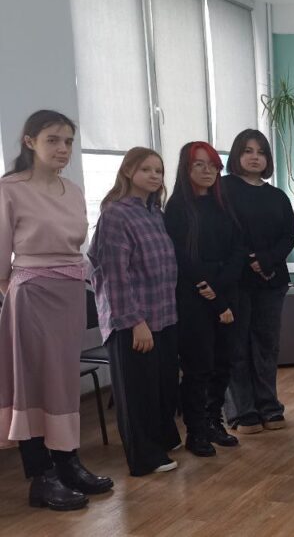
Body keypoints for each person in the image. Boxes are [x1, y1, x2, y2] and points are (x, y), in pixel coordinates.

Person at [0, 111, 113, 511]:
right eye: (53, 140)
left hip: (69, 295)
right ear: (29, 141)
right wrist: (20, 291)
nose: (63, 148)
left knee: (62, 382)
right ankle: (42, 476)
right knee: (33, 383)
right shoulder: (10, 189)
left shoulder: (74, 190)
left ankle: (68, 462)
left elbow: (77, 248)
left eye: (68, 141)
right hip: (31, 295)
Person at [89, 148, 180, 478]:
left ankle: (162, 439)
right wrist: (134, 322)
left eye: (159, 170)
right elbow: (114, 273)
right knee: (137, 393)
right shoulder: (116, 214)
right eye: (146, 169)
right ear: (128, 171)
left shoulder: (154, 212)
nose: (155, 176)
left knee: (161, 386)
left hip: (164, 315)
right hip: (134, 320)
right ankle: (144, 457)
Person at [164, 142, 246, 457]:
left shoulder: (224, 203)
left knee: (223, 362)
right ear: (186, 169)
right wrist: (210, 292)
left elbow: (239, 247)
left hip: (225, 291)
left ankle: (214, 422)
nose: (207, 170)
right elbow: (182, 257)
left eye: (212, 165)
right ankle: (196, 431)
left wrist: (221, 291)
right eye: (199, 164)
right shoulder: (177, 208)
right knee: (198, 367)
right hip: (194, 296)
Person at [222, 130, 294, 434]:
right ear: (236, 155)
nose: (255, 157)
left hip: (271, 280)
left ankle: (269, 406)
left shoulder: (277, 195)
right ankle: (243, 411)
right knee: (237, 346)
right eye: (248, 151)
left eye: (261, 152)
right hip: (236, 280)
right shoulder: (223, 189)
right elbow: (222, 231)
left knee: (266, 346)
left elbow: (288, 236)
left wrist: (265, 261)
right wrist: (250, 260)